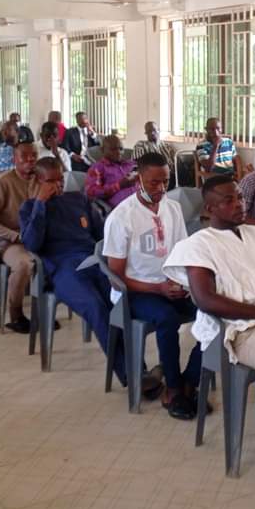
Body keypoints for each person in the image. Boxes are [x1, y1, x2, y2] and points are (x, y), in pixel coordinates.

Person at [163, 175, 255, 509]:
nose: (239, 204)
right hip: (243, 331)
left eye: (241, 198)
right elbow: (206, 300)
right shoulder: (198, 245)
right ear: (210, 208)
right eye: (229, 200)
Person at [18, 158, 137, 389]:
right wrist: (41, 204)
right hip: (62, 269)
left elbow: (101, 234)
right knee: (95, 307)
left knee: (121, 303)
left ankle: (137, 368)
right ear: (38, 181)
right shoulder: (30, 208)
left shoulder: (78, 200)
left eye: (60, 180)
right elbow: (31, 244)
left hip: (93, 261)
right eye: (50, 181)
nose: (57, 185)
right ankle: (130, 374)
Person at [103, 152, 200, 419]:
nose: (161, 188)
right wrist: (158, 289)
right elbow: (116, 277)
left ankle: (190, 379)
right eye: (153, 182)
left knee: (212, 311)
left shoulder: (173, 208)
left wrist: (179, 282)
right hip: (135, 292)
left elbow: (182, 252)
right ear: (139, 180)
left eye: (165, 181)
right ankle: (174, 389)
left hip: (169, 285)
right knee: (167, 318)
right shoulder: (122, 217)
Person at [0, 139, 41, 333]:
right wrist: (14, 236)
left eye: (34, 156)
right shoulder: (4, 181)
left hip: (38, 238)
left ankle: (44, 312)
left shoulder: (42, 179)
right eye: (24, 156)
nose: (30, 160)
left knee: (63, 259)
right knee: (23, 264)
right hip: (11, 241)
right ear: (14, 159)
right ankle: (16, 315)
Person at [85, 134, 138, 209]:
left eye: (121, 149)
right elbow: (91, 192)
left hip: (143, 205)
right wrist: (119, 185)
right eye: (113, 149)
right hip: (121, 210)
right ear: (102, 150)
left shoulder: (131, 164)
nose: (118, 152)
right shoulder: (98, 168)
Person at [195, 117, 242, 182]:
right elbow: (208, 168)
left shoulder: (229, 142)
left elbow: (237, 161)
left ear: (221, 129)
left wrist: (239, 178)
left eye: (218, 128)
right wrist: (216, 146)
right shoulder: (201, 145)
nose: (216, 132)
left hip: (230, 177)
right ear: (206, 129)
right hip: (214, 179)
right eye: (212, 129)